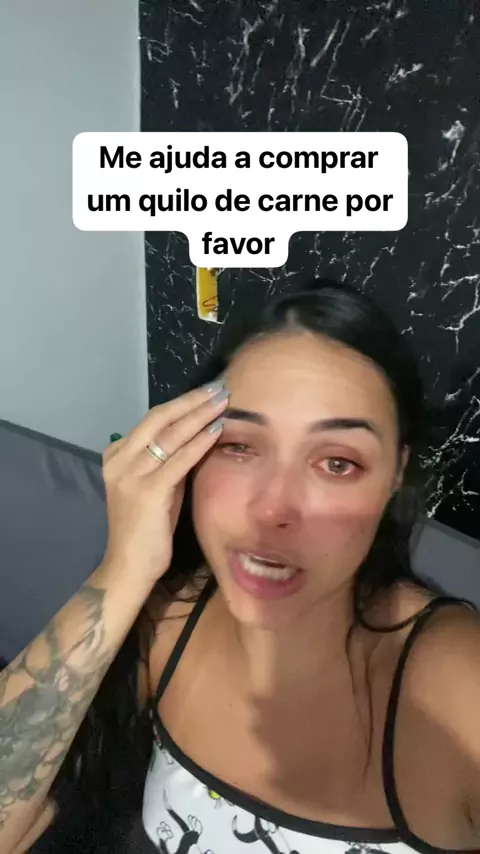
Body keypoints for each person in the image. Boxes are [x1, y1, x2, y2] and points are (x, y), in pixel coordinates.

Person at [1, 279, 479, 854]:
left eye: (337, 463)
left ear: (395, 473)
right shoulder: (171, 616)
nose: (272, 510)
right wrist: (123, 567)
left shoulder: (456, 687)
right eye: (240, 446)